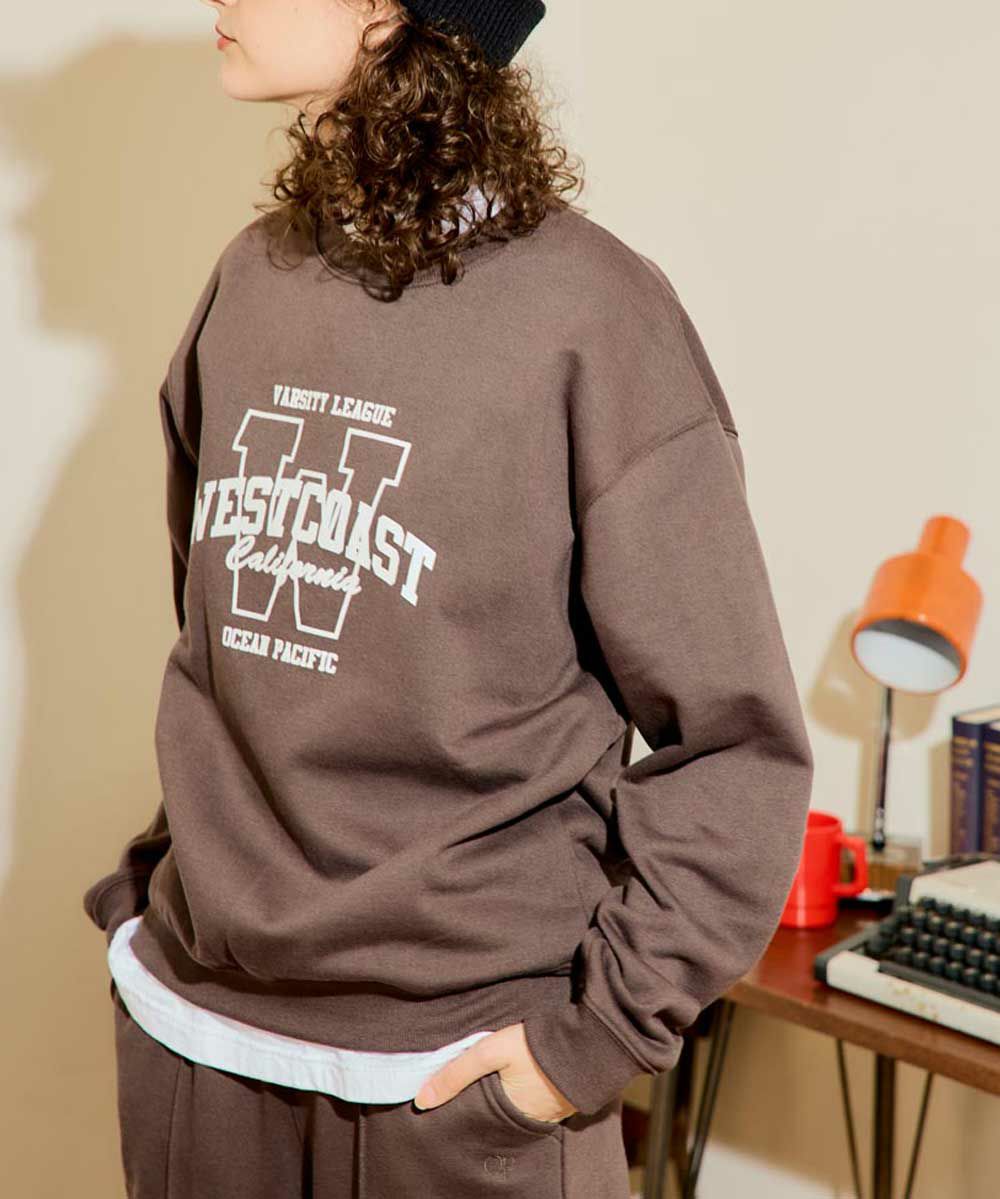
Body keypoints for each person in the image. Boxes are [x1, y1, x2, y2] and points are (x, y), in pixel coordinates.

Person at [81, 2, 815, 1196]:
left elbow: (734, 742)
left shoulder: (592, 315)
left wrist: (590, 1043)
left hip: (451, 1088)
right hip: (200, 1048)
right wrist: (147, 901)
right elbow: (222, 639)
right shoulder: (252, 276)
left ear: (388, 8)